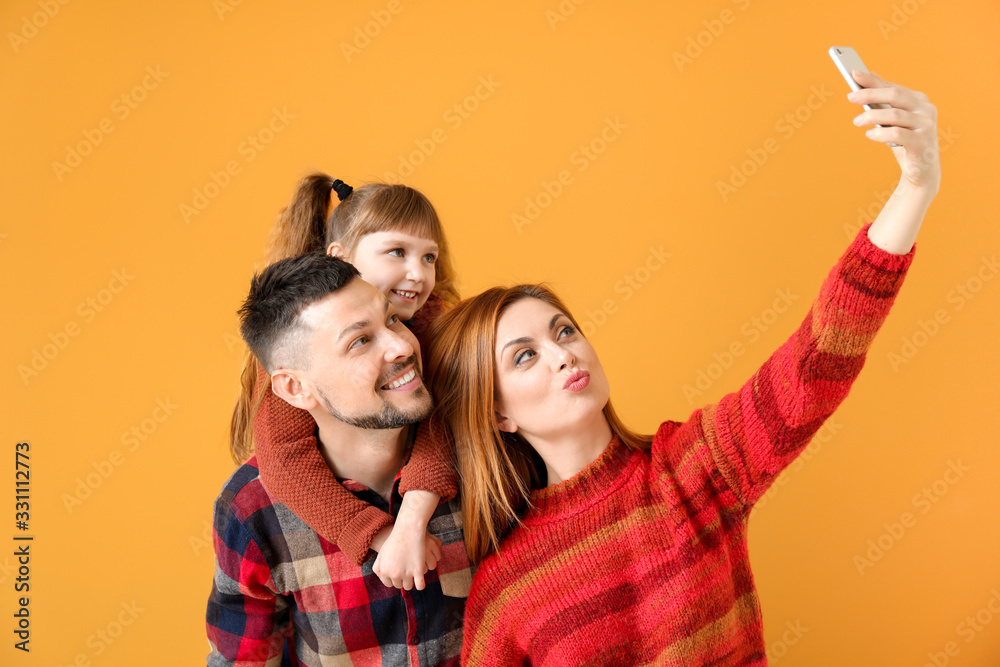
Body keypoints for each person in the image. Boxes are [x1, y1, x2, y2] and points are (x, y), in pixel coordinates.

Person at [419, 71, 940, 665]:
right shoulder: (506, 590)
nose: (563, 353)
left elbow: (818, 357)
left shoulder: (694, 468)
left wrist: (915, 187)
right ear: (497, 415)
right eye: (525, 355)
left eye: (564, 331)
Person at [206, 253, 472, 665]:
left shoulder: (481, 455)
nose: (402, 346)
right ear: (295, 389)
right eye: (360, 341)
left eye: (393, 320)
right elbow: (245, 659)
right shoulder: (252, 510)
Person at [230, 174, 461, 588]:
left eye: (429, 257)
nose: (418, 273)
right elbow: (284, 461)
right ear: (341, 257)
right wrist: (379, 534)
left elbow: (446, 421)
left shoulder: (439, 325)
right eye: (397, 252)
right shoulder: (297, 354)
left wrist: (412, 518)